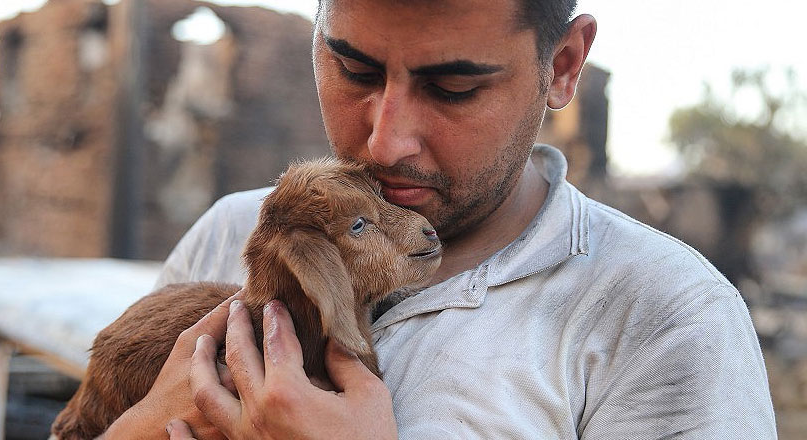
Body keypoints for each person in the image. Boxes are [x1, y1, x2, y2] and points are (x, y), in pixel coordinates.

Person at [101, 0, 777, 438]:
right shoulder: (236, 232)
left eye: (454, 88)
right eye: (353, 70)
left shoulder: (663, 317)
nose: (386, 142)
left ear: (563, 67)